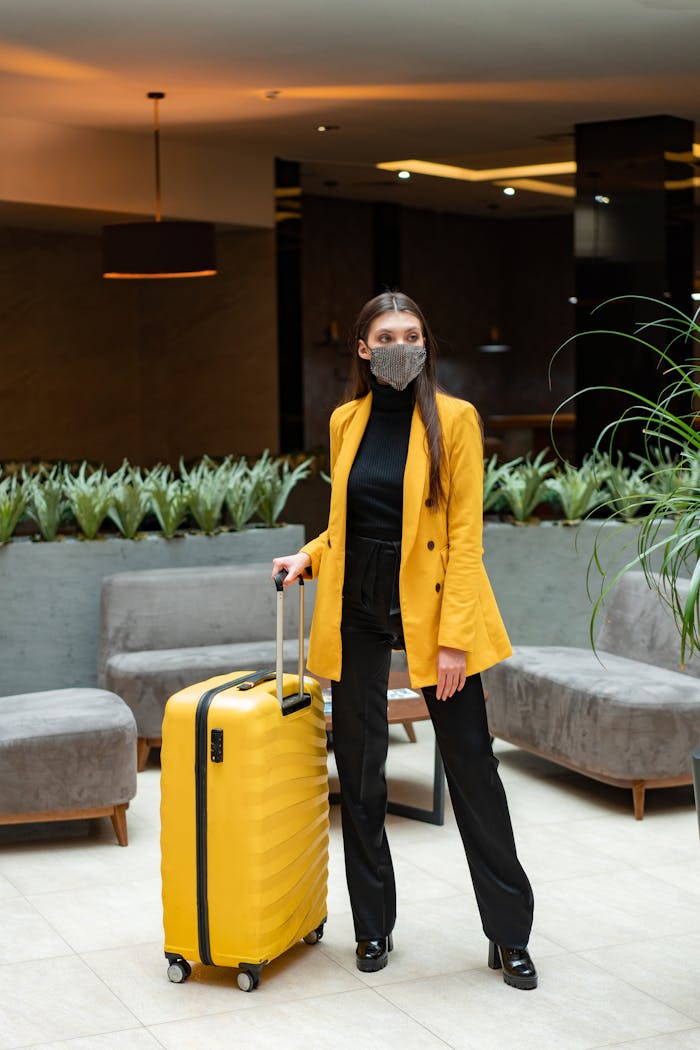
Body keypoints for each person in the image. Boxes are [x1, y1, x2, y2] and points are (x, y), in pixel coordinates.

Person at [271, 291, 536, 990]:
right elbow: (349, 522)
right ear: (362, 348)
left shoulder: (456, 419)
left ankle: (509, 934)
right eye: (387, 335)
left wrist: (454, 643)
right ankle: (372, 927)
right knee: (359, 778)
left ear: (425, 344)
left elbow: (464, 539)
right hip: (355, 608)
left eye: (411, 334)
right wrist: (310, 556)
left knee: (475, 771)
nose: (400, 346)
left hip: (438, 615)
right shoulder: (345, 421)